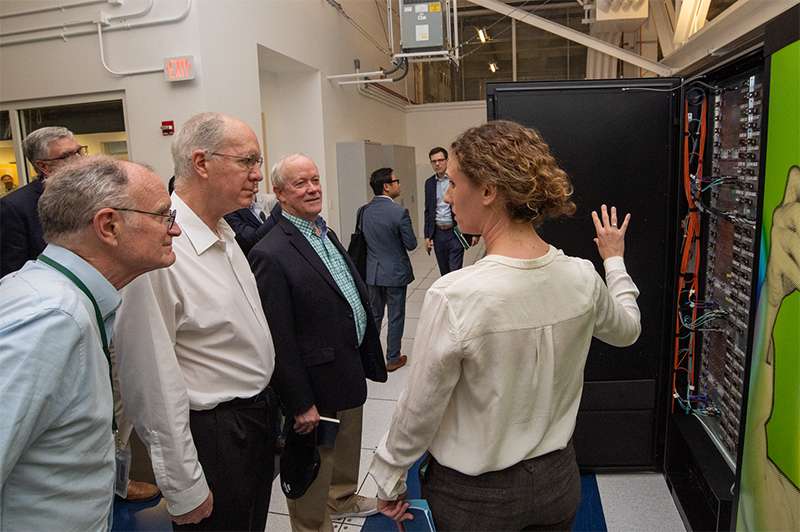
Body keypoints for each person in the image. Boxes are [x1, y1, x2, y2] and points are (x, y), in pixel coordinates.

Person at [369, 120, 642, 531]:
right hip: (558, 484)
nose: (447, 195)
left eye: (455, 183)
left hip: (474, 500)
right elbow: (628, 330)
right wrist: (614, 261)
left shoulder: (455, 295)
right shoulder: (583, 277)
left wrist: (390, 477)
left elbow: (419, 408)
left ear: (488, 190)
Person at [112, 111, 277, 531]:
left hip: (253, 421)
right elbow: (149, 380)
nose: (258, 175)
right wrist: (182, 485)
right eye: (248, 161)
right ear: (201, 163)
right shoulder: (161, 252)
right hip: (215, 436)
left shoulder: (223, 233)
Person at [0, 155, 180, 531]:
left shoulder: (67, 300)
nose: (173, 230)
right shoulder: (52, 318)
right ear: (109, 225)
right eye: (164, 216)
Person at [248, 153, 387, 532]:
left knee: (344, 449)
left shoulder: (323, 231)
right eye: (300, 183)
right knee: (314, 466)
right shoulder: (270, 253)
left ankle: (341, 497)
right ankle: (312, 526)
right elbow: (279, 338)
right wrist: (300, 402)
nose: (312, 188)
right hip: (313, 386)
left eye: (315, 179)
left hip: (346, 367)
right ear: (279, 193)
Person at [0, 126, 85, 277]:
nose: (79, 160)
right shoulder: (16, 206)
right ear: (43, 166)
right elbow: (13, 270)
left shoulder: (98, 192)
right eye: (67, 156)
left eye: (79, 151)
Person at [361, 167, 418, 372]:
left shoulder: (363, 211)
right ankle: (392, 359)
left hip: (373, 273)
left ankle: (371, 358)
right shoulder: (399, 212)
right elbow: (411, 244)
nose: (399, 184)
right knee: (395, 316)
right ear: (386, 186)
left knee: (375, 315)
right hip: (395, 274)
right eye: (396, 181)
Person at [424, 147, 479, 276]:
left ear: (447, 160)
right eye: (433, 161)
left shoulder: (458, 180)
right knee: (444, 272)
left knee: (455, 271)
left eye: (440, 160)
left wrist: (475, 232)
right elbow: (428, 210)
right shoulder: (429, 183)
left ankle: (455, 294)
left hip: (455, 231)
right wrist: (427, 236)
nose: (437, 164)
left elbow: (470, 205)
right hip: (438, 233)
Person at [223, 181, 280, 255]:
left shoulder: (257, 205)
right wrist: (282, 205)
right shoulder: (228, 210)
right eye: (249, 174)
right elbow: (254, 239)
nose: (258, 178)